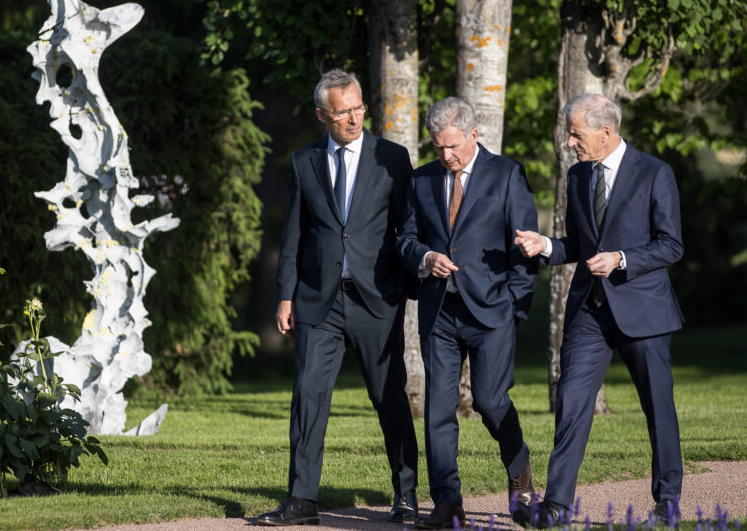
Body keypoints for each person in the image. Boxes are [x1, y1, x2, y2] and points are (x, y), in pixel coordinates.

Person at [513, 93, 684, 527]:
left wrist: (621, 259)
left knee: (657, 408)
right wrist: (545, 246)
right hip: (590, 311)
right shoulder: (577, 177)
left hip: (644, 312)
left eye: (576, 134)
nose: (569, 142)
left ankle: (667, 504)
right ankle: (555, 508)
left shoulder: (655, 173)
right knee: (570, 403)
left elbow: (671, 244)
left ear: (606, 132)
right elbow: (578, 244)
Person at [260, 69, 420, 526]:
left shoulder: (392, 157)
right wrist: (285, 296)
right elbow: (294, 234)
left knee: (389, 398)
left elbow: (406, 229)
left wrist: (407, 286)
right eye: (342, 110)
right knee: (308, 399)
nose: (353, 117)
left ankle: (405, 494)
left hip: (377, 300)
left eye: (358, 107)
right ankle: (302, 500)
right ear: (322, 115)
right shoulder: (303, 161)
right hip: (317, 302)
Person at [396, 97, 539, 530]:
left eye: (453, 146)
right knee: (438, 408)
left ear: (475, 134)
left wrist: (516, 306)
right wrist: (424, 259)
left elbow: (525, 249)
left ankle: (520, 475)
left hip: (492, 310)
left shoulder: (507, 174)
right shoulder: (421, 180)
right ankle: (447, 502)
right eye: (438, 147)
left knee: (490, 402)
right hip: (439, 310)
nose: (446, 155)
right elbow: (404, 239)